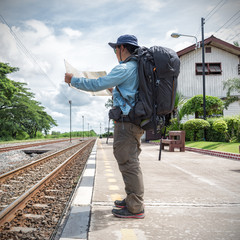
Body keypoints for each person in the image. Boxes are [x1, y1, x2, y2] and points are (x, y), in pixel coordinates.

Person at [64, 34, 145, 219]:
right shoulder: (135, 68)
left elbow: (97, 83)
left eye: (115, 48)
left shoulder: (125, 67)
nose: (115, 52)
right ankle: (132, 199)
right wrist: (114, 90)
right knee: (129, 161)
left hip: (127, 123)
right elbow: (129, 92)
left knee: (129, 163)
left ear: (122, 48)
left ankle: (136, 207)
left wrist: (73, 79)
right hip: (132, 122)